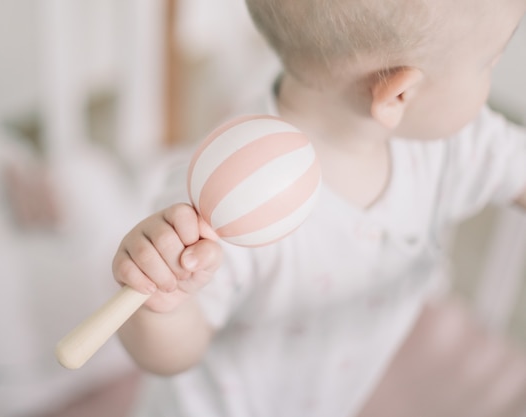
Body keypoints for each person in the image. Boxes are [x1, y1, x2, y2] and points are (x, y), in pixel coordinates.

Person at [113, 0, 526, 416]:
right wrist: (161, 304)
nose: (490, 78)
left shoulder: (454, 147)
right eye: (488, 64)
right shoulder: (232, 196)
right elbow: (170, 356)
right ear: (399, 94)